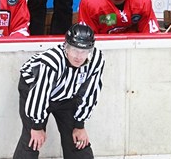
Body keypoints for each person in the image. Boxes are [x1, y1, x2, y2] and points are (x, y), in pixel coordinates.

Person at [13, 23, 104, 159]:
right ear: (66, 47)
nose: (79, 56)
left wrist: (79, 124)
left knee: (77, 139)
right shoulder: (52, 61)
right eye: (74, 50)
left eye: (84, 51)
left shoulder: (96, 60)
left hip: (66, 95)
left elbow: (90, 91)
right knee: (32, 139)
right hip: (34, 91)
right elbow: (40, 93)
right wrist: (37, 126)